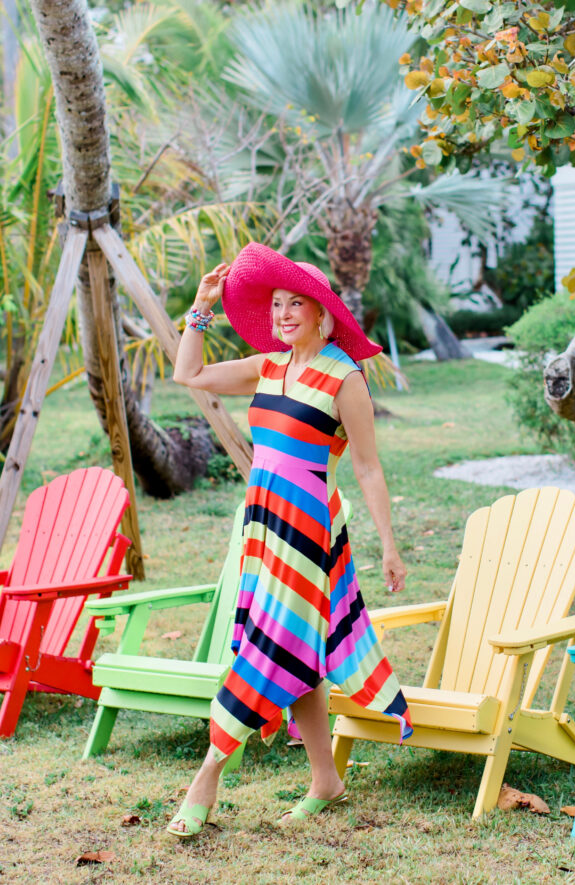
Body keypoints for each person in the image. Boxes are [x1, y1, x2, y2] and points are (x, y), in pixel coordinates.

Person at [167, 242, 411, 836]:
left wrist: (389, 544)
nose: (282, 314)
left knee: (267, 647)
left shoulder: (343, 378)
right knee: (294, 648)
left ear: (321, 312)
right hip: (263, 526)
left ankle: (207, 775)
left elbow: (369, 469)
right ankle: (326, 779)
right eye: (276, 303)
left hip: (309, 530)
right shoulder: (267, 366)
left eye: (294, 303)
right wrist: (200, 310)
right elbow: (188, 373)